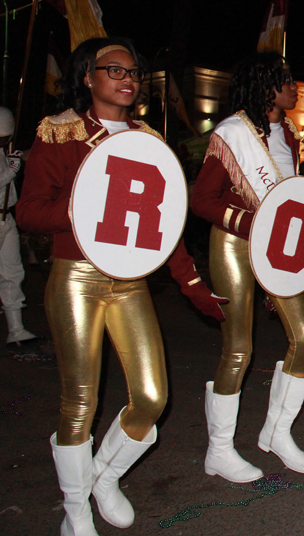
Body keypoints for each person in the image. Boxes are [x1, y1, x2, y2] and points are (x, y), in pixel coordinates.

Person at [16, 37, 226, 535]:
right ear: (86, 76)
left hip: (131, 283)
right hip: (77, 278)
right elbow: (28, 212)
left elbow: (163, 227)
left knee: (152, 397)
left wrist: (192, 283)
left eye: (133, 72)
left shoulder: (147, 139)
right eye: (114, 70)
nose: (127, 79)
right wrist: (84, 207)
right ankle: (75, 511)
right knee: (80, 403)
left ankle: (103, 477)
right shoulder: (60, 131)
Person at [191, 52, 304, 481]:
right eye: (286, 80)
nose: (294, 87)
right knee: (239, 348)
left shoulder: (291, 133)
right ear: (265, 86)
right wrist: (250, 222)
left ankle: (277, 433)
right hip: (233, 242)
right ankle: (219, 450)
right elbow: (202, 200)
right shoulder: (232, 132)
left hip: (278, 245)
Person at [0, 107, 37, 344]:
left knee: (12, 272)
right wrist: (11, 171)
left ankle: (16, 329)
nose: (4, 141)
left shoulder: (5, 151)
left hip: (6, 218)